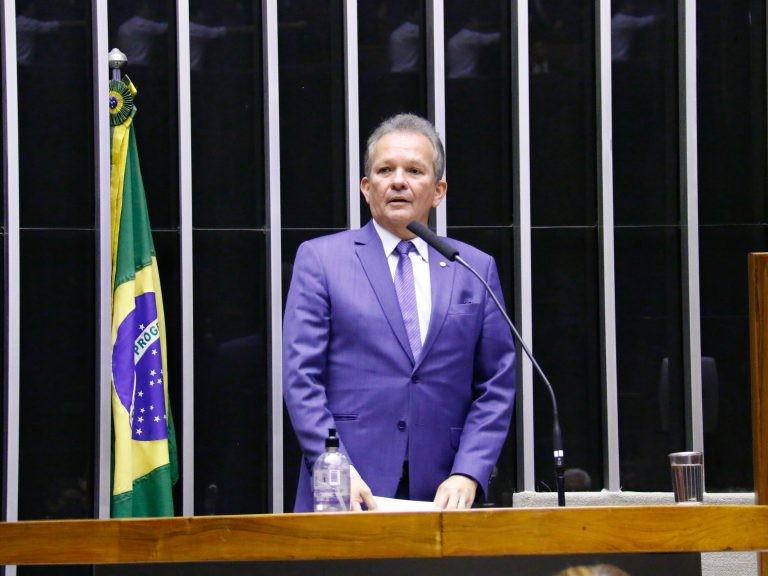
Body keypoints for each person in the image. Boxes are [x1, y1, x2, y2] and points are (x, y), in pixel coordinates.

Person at [282, 113, 516, 512]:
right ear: (366, 187)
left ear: (438, 190)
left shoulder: (472, 267)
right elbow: (301, 377)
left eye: (414, 171)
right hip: (348, 487)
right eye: (385, 170)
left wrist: (469, 471)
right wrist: (335, 468)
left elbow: (496, 383)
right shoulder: (321, 260)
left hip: (443, 491)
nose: (398, 181)